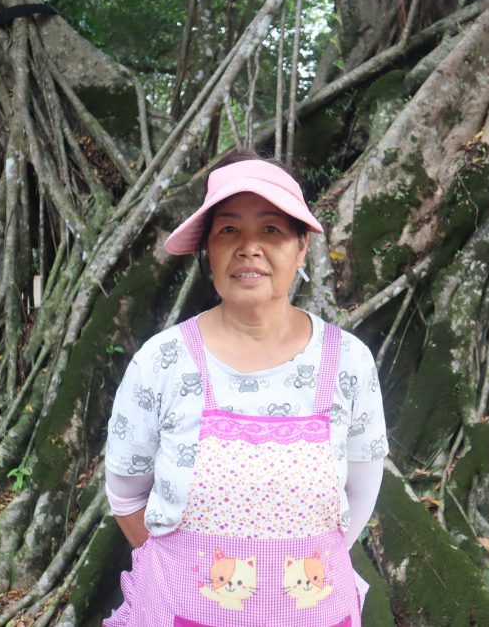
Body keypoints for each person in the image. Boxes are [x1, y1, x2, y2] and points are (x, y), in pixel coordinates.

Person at [103, 151, 388, 627]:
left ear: (301, 250)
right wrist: (184, 579)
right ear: (207, 251)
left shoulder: (349, 363)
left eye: (272, 230)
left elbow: (360, 494)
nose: (249, 247)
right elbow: (127, 496)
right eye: (229, 230)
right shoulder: (163, 361)